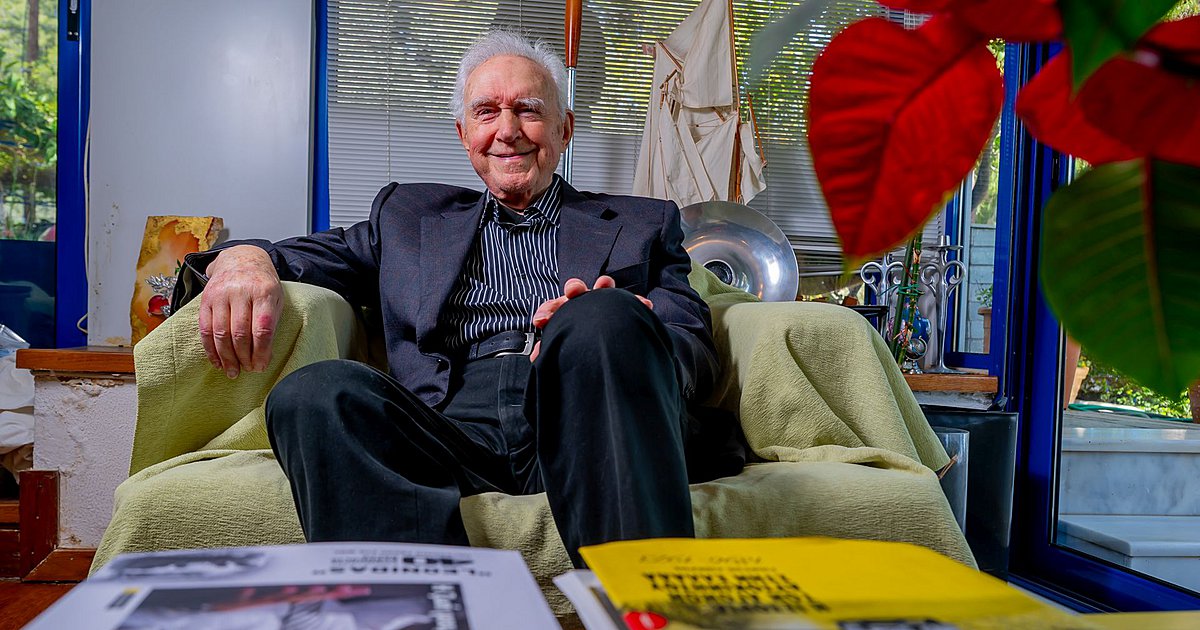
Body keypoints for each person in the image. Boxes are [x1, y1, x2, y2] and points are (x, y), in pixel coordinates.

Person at [173, 30, 722, 568]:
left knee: (599, 315)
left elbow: (693, 342)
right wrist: (244, 259)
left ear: (564, 129)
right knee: (314, 393)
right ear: (464, 134)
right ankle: (423, 605)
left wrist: (630, 333)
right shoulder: (408, 219)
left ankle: (639, 603)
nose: (507, 130)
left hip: (587, 421)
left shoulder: (642, 223)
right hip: (450, 428)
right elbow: (306, 256)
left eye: (528, 110)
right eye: (487, 112)